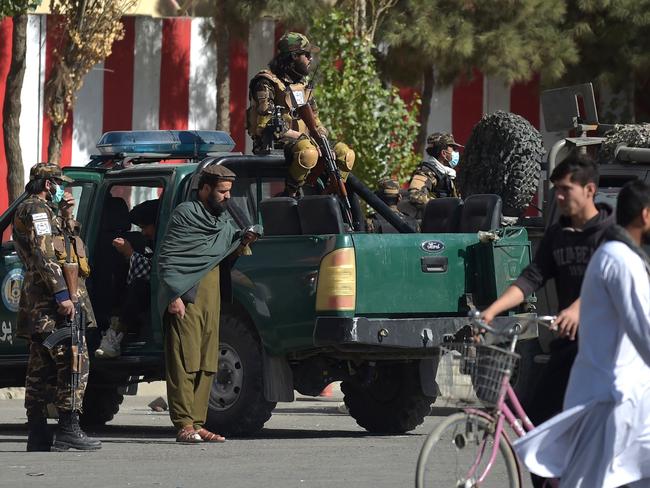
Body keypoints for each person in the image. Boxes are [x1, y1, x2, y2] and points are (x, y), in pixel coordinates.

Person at [481, 152, 614, 487]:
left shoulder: (612, 235)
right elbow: (531, 279)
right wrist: (493, 311)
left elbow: (610, 283)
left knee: (594, 435)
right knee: (537, 423)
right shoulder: (557, 236)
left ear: (589, 190)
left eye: (565, 189)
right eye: (555, 189)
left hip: (606, 352)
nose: (558, 196)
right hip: (569, 346)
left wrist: (578, 309)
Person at [513, 179, 650, 487]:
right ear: (645, 215)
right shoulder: (622, 261)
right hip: (614, 400)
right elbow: (645, 332)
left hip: (615, 397)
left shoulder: (611, 256)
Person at [157, 165, 259, 443]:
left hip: (212, 299)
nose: (227, 197)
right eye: (222, 191)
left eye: (229, 192)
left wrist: (241, 243)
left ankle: (198, 423)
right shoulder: (185, 215)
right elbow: (168, 258)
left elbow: (220, 256)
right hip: (186, 297)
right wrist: (173, 296)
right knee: (184, 361)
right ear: (204, 189)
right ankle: (184, 424)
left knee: (206, 361)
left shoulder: (223, 221)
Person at [14, 163, 101, 451]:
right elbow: (44, 253)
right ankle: (68, 427)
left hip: (44, 299)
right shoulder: (36, 210)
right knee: (74, 359)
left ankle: (37, 432)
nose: (64, 189)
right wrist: (63, 294)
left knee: (40, 364)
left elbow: (68, 243)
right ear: (48, 184)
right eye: (60, 184)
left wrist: (66, 213)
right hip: (49, 299)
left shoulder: (46, 211)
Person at [247, 32, 355, 197]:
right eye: (307, 55)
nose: (310, 59)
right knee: (308, 153)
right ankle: (290, 194)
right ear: (293, 56)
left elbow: (315, 120)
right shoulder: (266, 82)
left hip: (305, 143)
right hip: (275, 145)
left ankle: (328, 196)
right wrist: (305, 139)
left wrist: (322, 138)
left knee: (345, 154)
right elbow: (264, 126)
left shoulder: (301, 85)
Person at [95, 199, 159, 359]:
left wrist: (130, 253)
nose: (143, 233)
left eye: (145, 227)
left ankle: (116, 333)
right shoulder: (143, 240)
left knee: (139, 286)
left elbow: (155, 272)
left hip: (155, 298)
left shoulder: (167, 240)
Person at [407, 132, 462, 211]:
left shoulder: (448, 174)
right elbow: (415, 196)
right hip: (434, 221)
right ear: (443, 153)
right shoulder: (426, 172)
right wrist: (442, 207)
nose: (456, 152)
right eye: (453, 148)